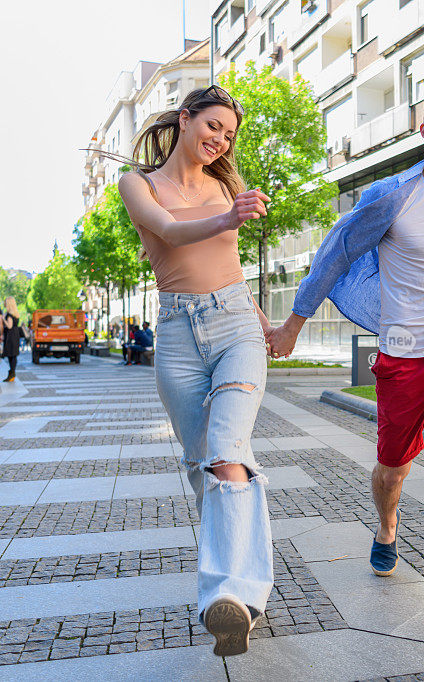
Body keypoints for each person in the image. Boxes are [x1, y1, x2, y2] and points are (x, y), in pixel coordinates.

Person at [267, 83, 424, 666]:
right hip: (404, 350)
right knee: (393, 466)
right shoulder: (392, 196)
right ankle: (387, 527)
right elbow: (334, 253)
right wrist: (292, 327)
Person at [118, 85, 273, 657]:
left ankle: (224, 599)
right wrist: (228, 216)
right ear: (185, 120)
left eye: (229, 135)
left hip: (235, 325)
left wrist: (267, 325)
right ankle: (245, 599)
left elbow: (231, 266)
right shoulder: (139, 182)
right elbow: (169, 231)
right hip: (178, 335)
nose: (220, 140)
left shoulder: (225, 185)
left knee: (228, 451)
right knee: (203, 465)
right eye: (213, 126)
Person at [2, 296, 21, 382]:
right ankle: (12, 373)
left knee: (11, 354)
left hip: (10, 335)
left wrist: (3, 319)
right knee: (14, 354)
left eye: (5, 302)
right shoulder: (16, 314)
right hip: (15, 334)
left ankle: (12, 373)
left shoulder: (9, 315)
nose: (4, 303)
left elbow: (9, 326)